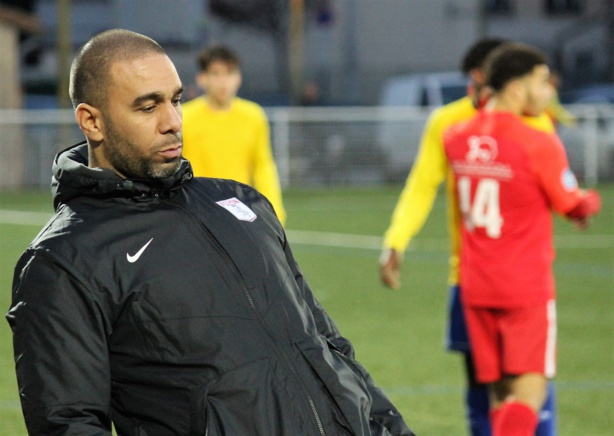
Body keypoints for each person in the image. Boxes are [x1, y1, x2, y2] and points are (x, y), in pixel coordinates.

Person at [6, 29, 414, 435]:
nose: (173, 122)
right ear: (91, 121)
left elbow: (329, 344)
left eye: (176, 100)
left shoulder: (244, 205)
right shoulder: (63, 259)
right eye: (148, 107)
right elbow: (68, 424)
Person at [379, 38, 558, 436]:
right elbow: (422, 186)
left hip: (487, 284)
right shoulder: (453, 123)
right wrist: (397, 239)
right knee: (497, 400)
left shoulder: (516, 122)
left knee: (516, 401)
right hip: (494, 283)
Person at [443, 43, 601, 436]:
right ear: (516, 87)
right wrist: (589, 201)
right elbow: (570, 202)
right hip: (523, 288)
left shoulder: (455, 137)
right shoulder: (537, 141)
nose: (550, 92)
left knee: (499, 396)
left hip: (476, 286)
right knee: (529, 396)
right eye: (543, 81)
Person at [182, 44, 286, 225]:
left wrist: (275, 210)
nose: (223, 82)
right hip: (196, 213)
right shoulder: (183, 117)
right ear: (202, 78)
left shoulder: (253, 116)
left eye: (229, 73)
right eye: (215, 74)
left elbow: (263, 166)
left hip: (240, 213)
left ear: (238, 78)